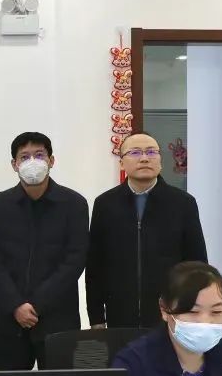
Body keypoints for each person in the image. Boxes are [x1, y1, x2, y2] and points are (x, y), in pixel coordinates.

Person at [0, 132, 89, 370]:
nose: (32, 162)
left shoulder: (74, 204)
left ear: (51, 160)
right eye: (24, 156)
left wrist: (37, 305)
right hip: (8, 318)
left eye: (39, 155)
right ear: (14, 164)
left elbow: (75, 260)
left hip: (58, 320)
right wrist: (16, 305)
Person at [87, 131, 208, 330]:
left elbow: (197, 263)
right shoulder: (105, 204)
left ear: (160, 161)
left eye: (151, 152)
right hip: (120, 313)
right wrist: (96, 318)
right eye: (135, 152)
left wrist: (194, 311)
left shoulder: (183, 203)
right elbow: (95, 266)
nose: (144, 158)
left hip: (171, 313)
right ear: (121, 163)